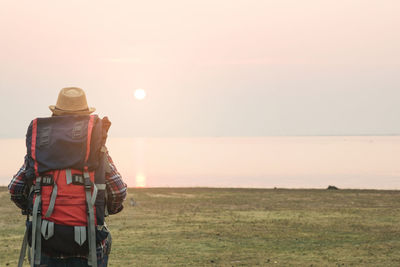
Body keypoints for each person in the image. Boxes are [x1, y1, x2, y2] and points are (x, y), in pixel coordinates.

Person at [8, 87, 127, 267]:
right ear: (86, 117)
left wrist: (33, 207)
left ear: (55, 116)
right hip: (89, 248)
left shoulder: (40, 150)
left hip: (45, 246)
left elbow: (15, 188)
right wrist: (104, 208)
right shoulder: (96, 150)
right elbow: (118, 191)